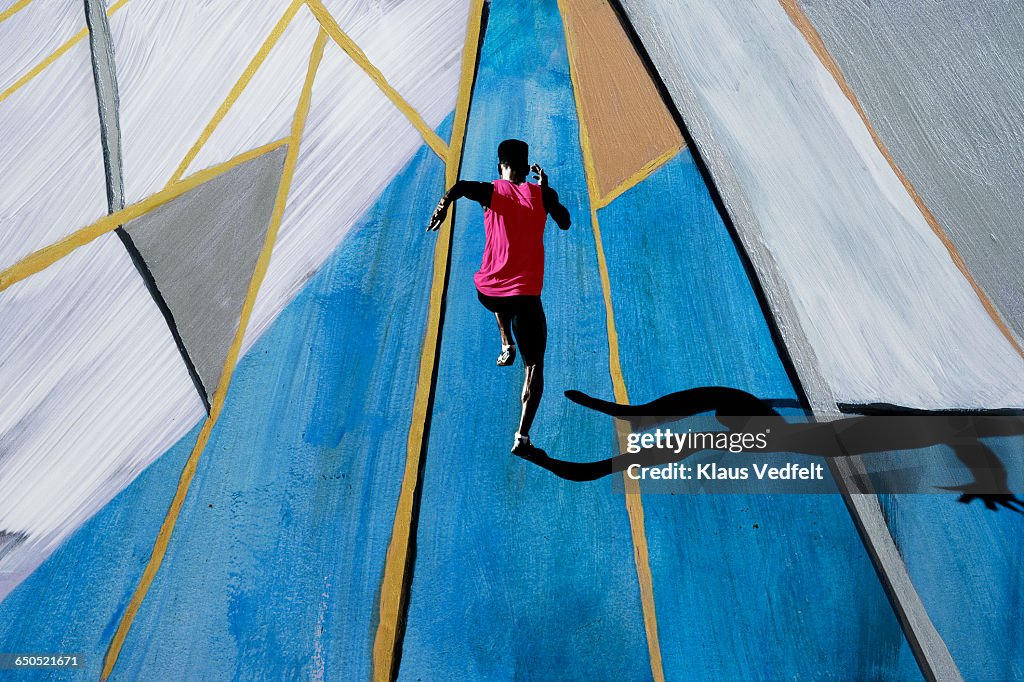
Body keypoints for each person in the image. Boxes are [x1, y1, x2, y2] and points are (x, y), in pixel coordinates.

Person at [427, 139, 571, 455]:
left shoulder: (490, 191)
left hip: (488, 293)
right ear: (527, 166)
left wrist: (442, 207)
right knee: (534, 366)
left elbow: (460, 187)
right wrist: (549, 193)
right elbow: (565, 222)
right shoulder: (542, 195)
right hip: (525, 299)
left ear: (499, 167)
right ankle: (522, 437)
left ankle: (506, 342)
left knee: (498, 293)